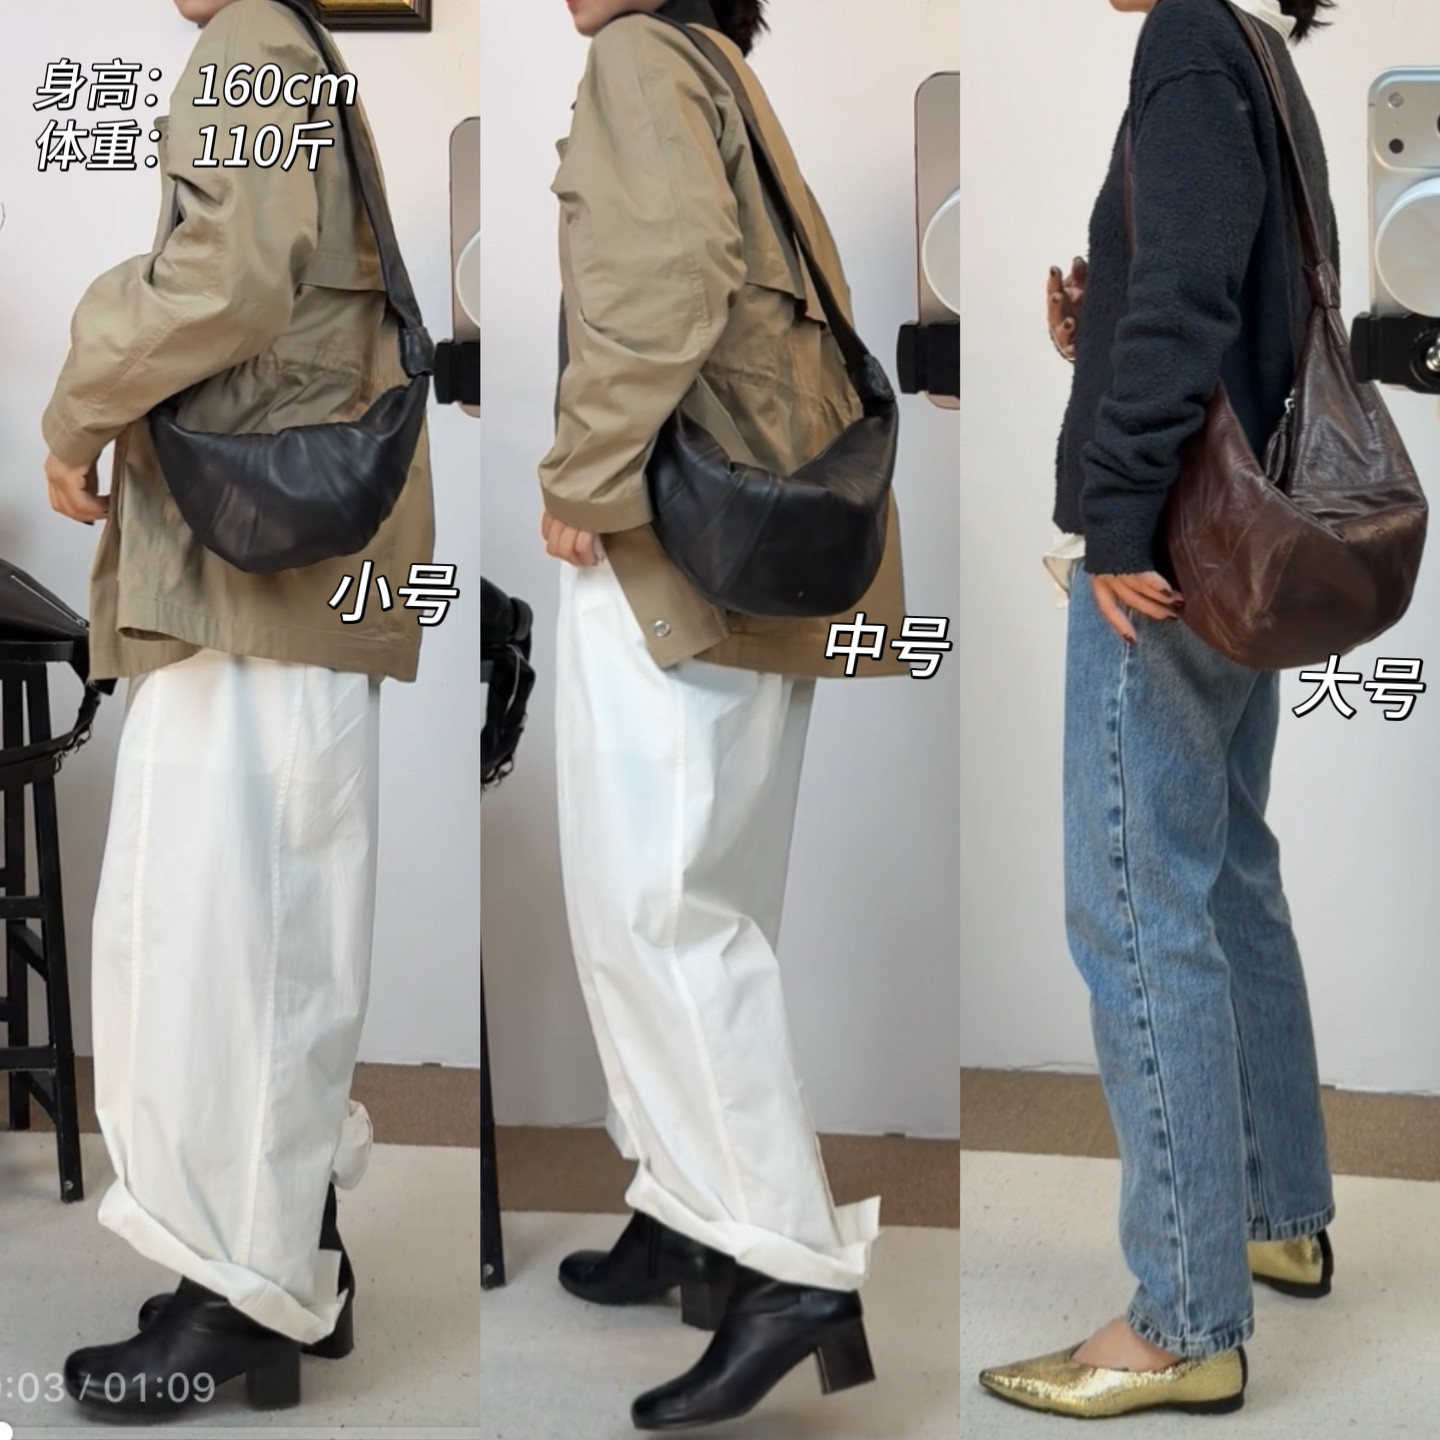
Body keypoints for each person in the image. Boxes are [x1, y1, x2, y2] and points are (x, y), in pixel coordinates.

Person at [39, 0, 434, 1419]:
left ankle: (242, 1299)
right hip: (280, 566)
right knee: (268, 930)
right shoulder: (293, 44)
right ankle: (283, 1265)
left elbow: (227, 276)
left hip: (255, 578)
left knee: (227, 939)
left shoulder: (253, 46)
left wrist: (78, 399)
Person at [539, 0, 907, 1429]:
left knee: (661, 910)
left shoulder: (639, 56)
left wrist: (585, 471)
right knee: (712, 894)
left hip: (674, 550)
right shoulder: (720, 67)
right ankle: (690, 1214)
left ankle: (783, 1265)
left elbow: (673, 279)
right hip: (762, 541)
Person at [980, 0, 1341, 1420]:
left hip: (1170, 557)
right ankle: (1278, 1214)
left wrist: (1118, 513)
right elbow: (1235, 299)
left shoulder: (1187, 38)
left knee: (1137, 908)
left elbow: (1192, 300)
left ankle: (1185, 1322)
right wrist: (1107, 329)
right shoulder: (1250, 45)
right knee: (1229, 877)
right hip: (1244, 551)